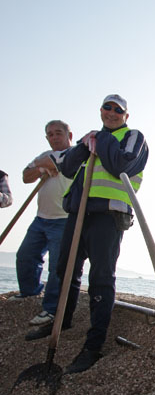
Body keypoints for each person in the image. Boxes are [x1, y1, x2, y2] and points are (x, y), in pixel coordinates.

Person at [50, 94, 148, 373]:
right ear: (101, 110)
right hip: (79, 211)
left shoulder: (133, 137)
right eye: (108, 107)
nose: (112, 112)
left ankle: (93, 345)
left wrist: (102, 138)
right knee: (65, 269)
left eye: (119, 110)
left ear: (126, 116)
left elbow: (121, 166)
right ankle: (61, 321)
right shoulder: (88, 141)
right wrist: (83, 146)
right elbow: (68, 169)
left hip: (109, 215)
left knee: (101, 277)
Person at [13, 121, 73, 330]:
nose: (54, 137)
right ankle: (29, 292)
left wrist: (46, 164)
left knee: (57, 266)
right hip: (41, 218)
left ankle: (51, 308)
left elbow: (56, 165)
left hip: (63, 219)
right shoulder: (44, 155)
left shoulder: (75, 156)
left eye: (58, 133)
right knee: (26, 256)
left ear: (69, 135)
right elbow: (25, 177)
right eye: (50, 134)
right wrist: (41, 167)